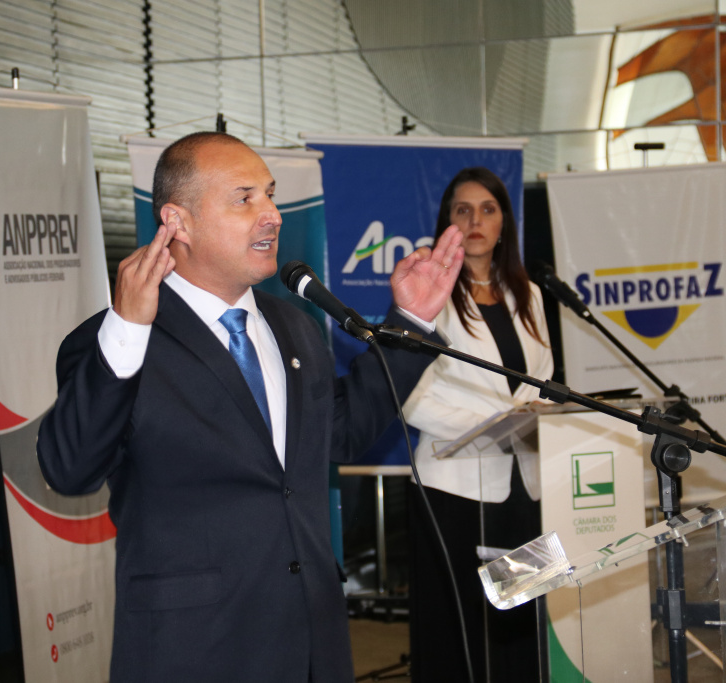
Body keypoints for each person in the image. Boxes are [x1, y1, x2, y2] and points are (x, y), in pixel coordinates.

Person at [36, 131, 464, 683]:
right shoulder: (116, 341)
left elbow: (341, 433)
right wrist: (127, 329)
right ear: (177, 222)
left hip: (313, 646)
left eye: (271, 194)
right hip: (194, 653)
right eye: (244, 198)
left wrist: (412, 324)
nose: (272, 216)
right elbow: (69, 469)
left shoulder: (294, 326)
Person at [402, 167, 553, 682]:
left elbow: (542, 381)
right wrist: (495, 423)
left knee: (523, 618)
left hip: (525, 486)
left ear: (504, 222)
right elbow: (412, 398)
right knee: (460, 628)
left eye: (488, 209)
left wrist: (529, 417)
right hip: (454, 486)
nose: (475, 221)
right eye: (462, 210)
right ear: (447, 222)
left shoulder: (529, 295)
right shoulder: (429, 294)